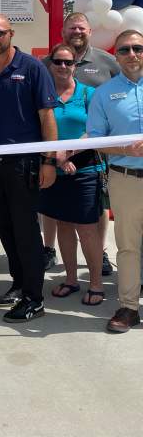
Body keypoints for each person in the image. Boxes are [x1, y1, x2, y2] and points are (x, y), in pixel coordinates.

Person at [0, 14, 57, 323]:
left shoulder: (32, 68)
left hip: (26, 165)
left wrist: (49, 160)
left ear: (11, 34)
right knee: (6, 228)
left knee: (26, 231)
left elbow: (47, 117)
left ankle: (34, 298)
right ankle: (19, 285)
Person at [42, 12, 119, 275]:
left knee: (97, 211)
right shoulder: (45, 64)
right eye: (72, 27)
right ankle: (50, 250)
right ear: (63, 31)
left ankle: (102, 255)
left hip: (95, 155)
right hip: (55, 157)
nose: (77, 31)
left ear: (90, 31)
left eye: (82, 28)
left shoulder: (107, 61)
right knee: (59, 216)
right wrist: (55, 157)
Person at [38, 44, 104, 306]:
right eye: (58, 62)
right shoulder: (42, 96)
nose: (63, 67)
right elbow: (39, 130)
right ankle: (71, 279)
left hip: (85, 170)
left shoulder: (89, 94)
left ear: (76, 65)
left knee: (87, 229)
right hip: (54, 170)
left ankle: (96, 284)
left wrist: (68, 153)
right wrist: (56, 159)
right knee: (63, 225)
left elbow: (96, 131)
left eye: (68, 62)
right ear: (50, 64)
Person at [87, 29, 143, 333]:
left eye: (137, 48)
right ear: (116, 55)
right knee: (129, 246)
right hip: (127, 179)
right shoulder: (104, 94)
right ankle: (129, 307)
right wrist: (124, 148)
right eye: (124, 50)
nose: (132, 54)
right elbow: (96, 141)